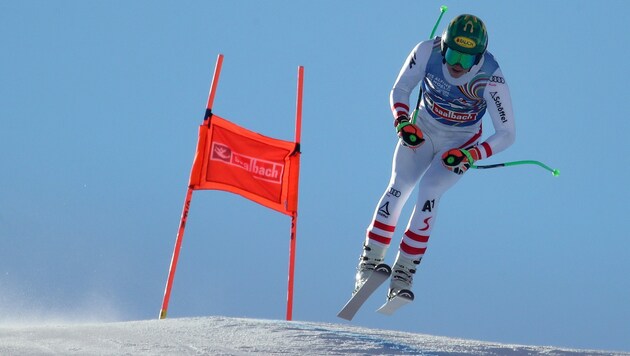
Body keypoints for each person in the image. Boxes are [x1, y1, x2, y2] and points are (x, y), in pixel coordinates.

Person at [354, 14, 516, 302]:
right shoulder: (427, 51)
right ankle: (368, 265)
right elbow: (400, 88)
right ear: (443, 45)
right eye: (452, 54)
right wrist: (402, 122)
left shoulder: (491, 75)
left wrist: (471, 154)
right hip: (423, 131)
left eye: (466, 60)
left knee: (429, 192)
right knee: (399, 185)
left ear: (479, 58)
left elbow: (507, 133)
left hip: (459, 144)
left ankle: (404, 273)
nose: (456, 65)